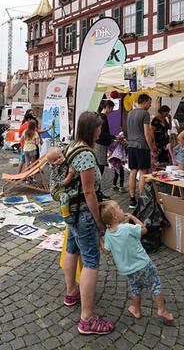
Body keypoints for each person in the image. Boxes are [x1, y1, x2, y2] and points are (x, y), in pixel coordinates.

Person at [62, 111, 114, 336]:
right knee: (91, 261)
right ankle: (87, 319)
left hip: (70, 211)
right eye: (99, 127)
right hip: (83, 213)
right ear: (91, 129)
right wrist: (99, 221)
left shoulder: (72, 146)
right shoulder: (87, 154)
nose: (101, 131)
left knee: (72, 249)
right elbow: (89, 191)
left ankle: (71, 292)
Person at [100, 200, 175, 325]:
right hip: (143, 264)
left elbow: (106, 251)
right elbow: (144, 229)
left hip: (128, 269)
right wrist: (133, 217)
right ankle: (161, 310)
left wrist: (99, 239)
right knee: (155, 284)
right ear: (114, 216)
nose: (121, 209)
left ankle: (137, 311)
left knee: (135, 289)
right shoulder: (127, 228)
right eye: (119, 208)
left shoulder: (108, 234)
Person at [126, 94, 155, 208]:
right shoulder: (145, 113)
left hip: (131, 145)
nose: (150, 105)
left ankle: (132, 199)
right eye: (150, 102)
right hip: (142, 146)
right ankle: (143, 198)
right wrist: (151, 147)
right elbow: (147, 133)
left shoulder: (130, 113)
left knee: (133, 171)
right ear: (145, 102)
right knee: (143, 172)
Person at [95, 100, 115, 179]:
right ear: (107, 107)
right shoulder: (103, 117)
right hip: (101, 144)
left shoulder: (100, 116)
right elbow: (102, 133)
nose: (112, 111)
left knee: (100, 164)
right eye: (111, 109)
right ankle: (98, 187)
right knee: (101, 165)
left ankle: (97, 187)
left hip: (99, 143)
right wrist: (113, 137)